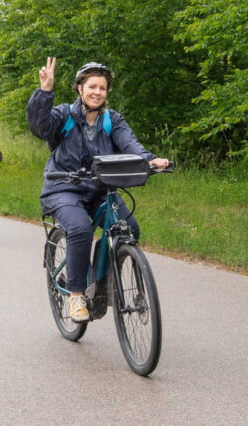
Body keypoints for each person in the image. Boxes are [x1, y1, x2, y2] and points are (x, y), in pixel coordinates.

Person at [26, 58, 169, 322]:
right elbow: (39, 126)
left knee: (130, 228)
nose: (97, 92)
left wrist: (149, 160)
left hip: (101, 188)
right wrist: (45, 92)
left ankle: (103, 284)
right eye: (92, 86)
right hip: (63, 187)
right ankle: (77, 294)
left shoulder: (111, 119)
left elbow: (131, 145)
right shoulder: (63, 115)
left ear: (107, 92)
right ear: (80, 88)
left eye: (102, 88)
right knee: (80, 229)